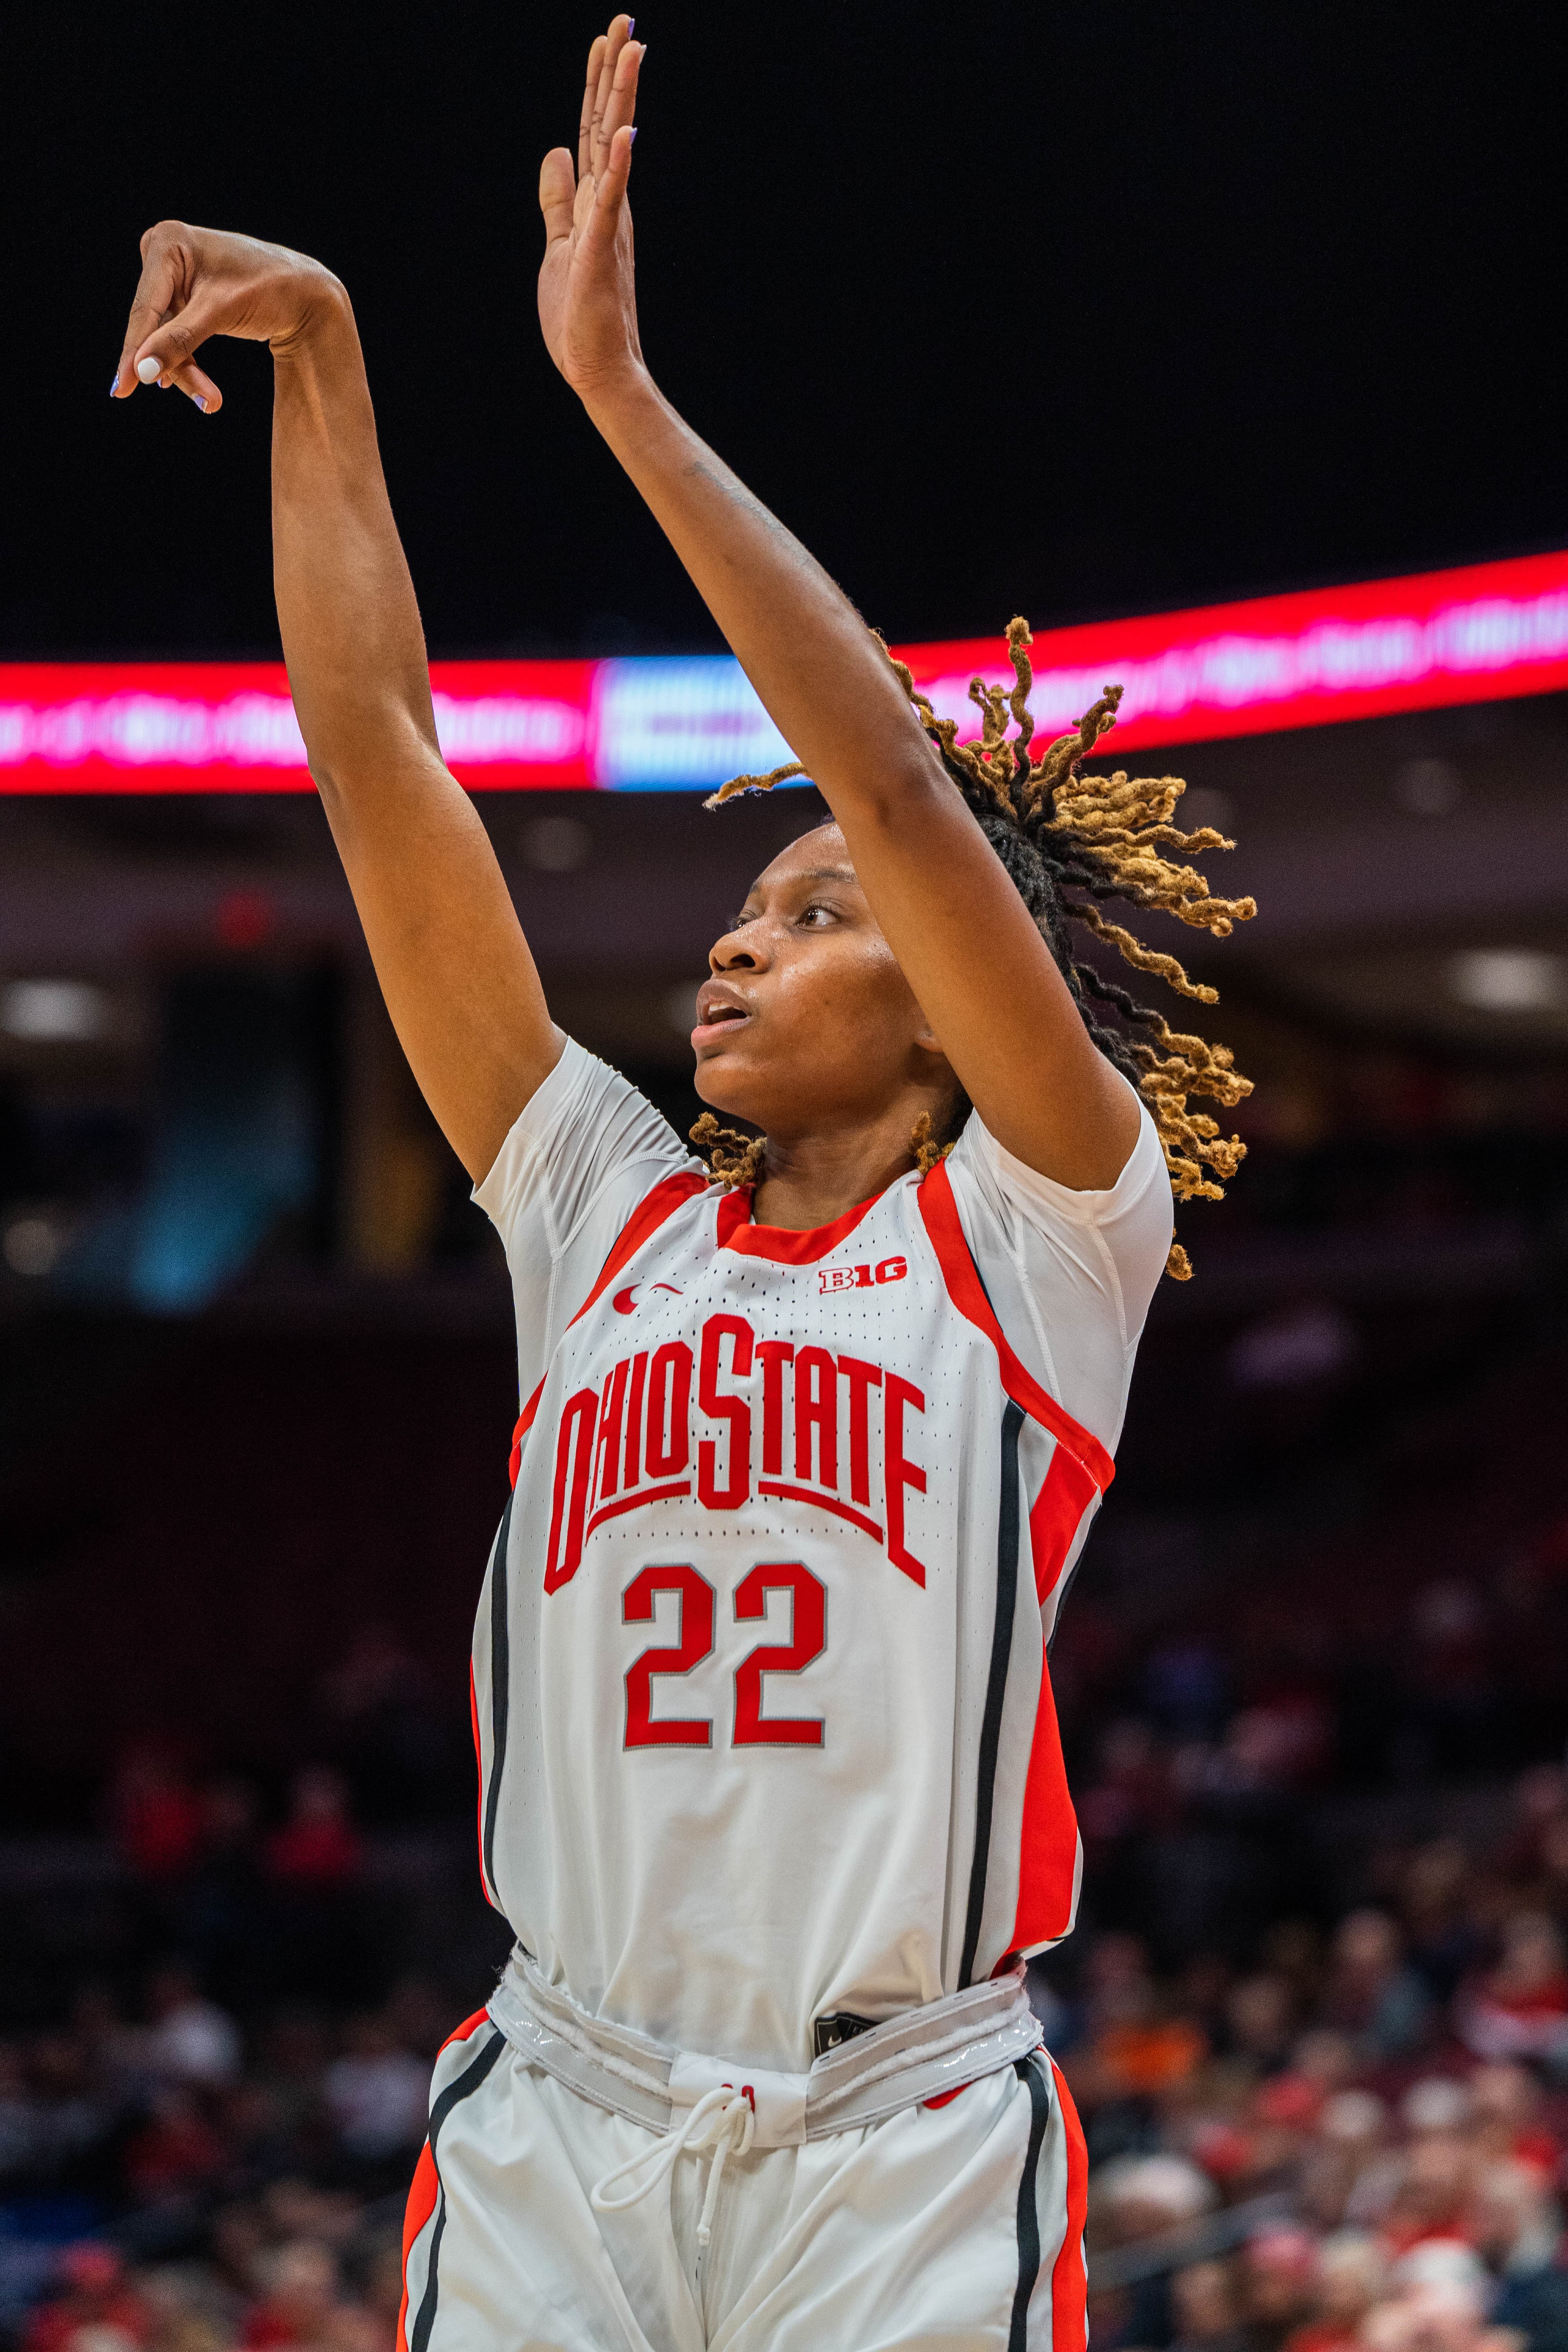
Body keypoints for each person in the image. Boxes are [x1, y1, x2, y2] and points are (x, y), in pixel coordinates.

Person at [110, 16, 1253, 2345]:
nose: (744, 931)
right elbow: (378, 754)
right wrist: (328, 356)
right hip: (564, 2103)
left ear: (957, 993)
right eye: (756, 905)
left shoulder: (1045, 1228)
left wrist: (619, 397)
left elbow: (914, 796)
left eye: (818, 915)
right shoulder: (594, 1210)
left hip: (901, 2140)